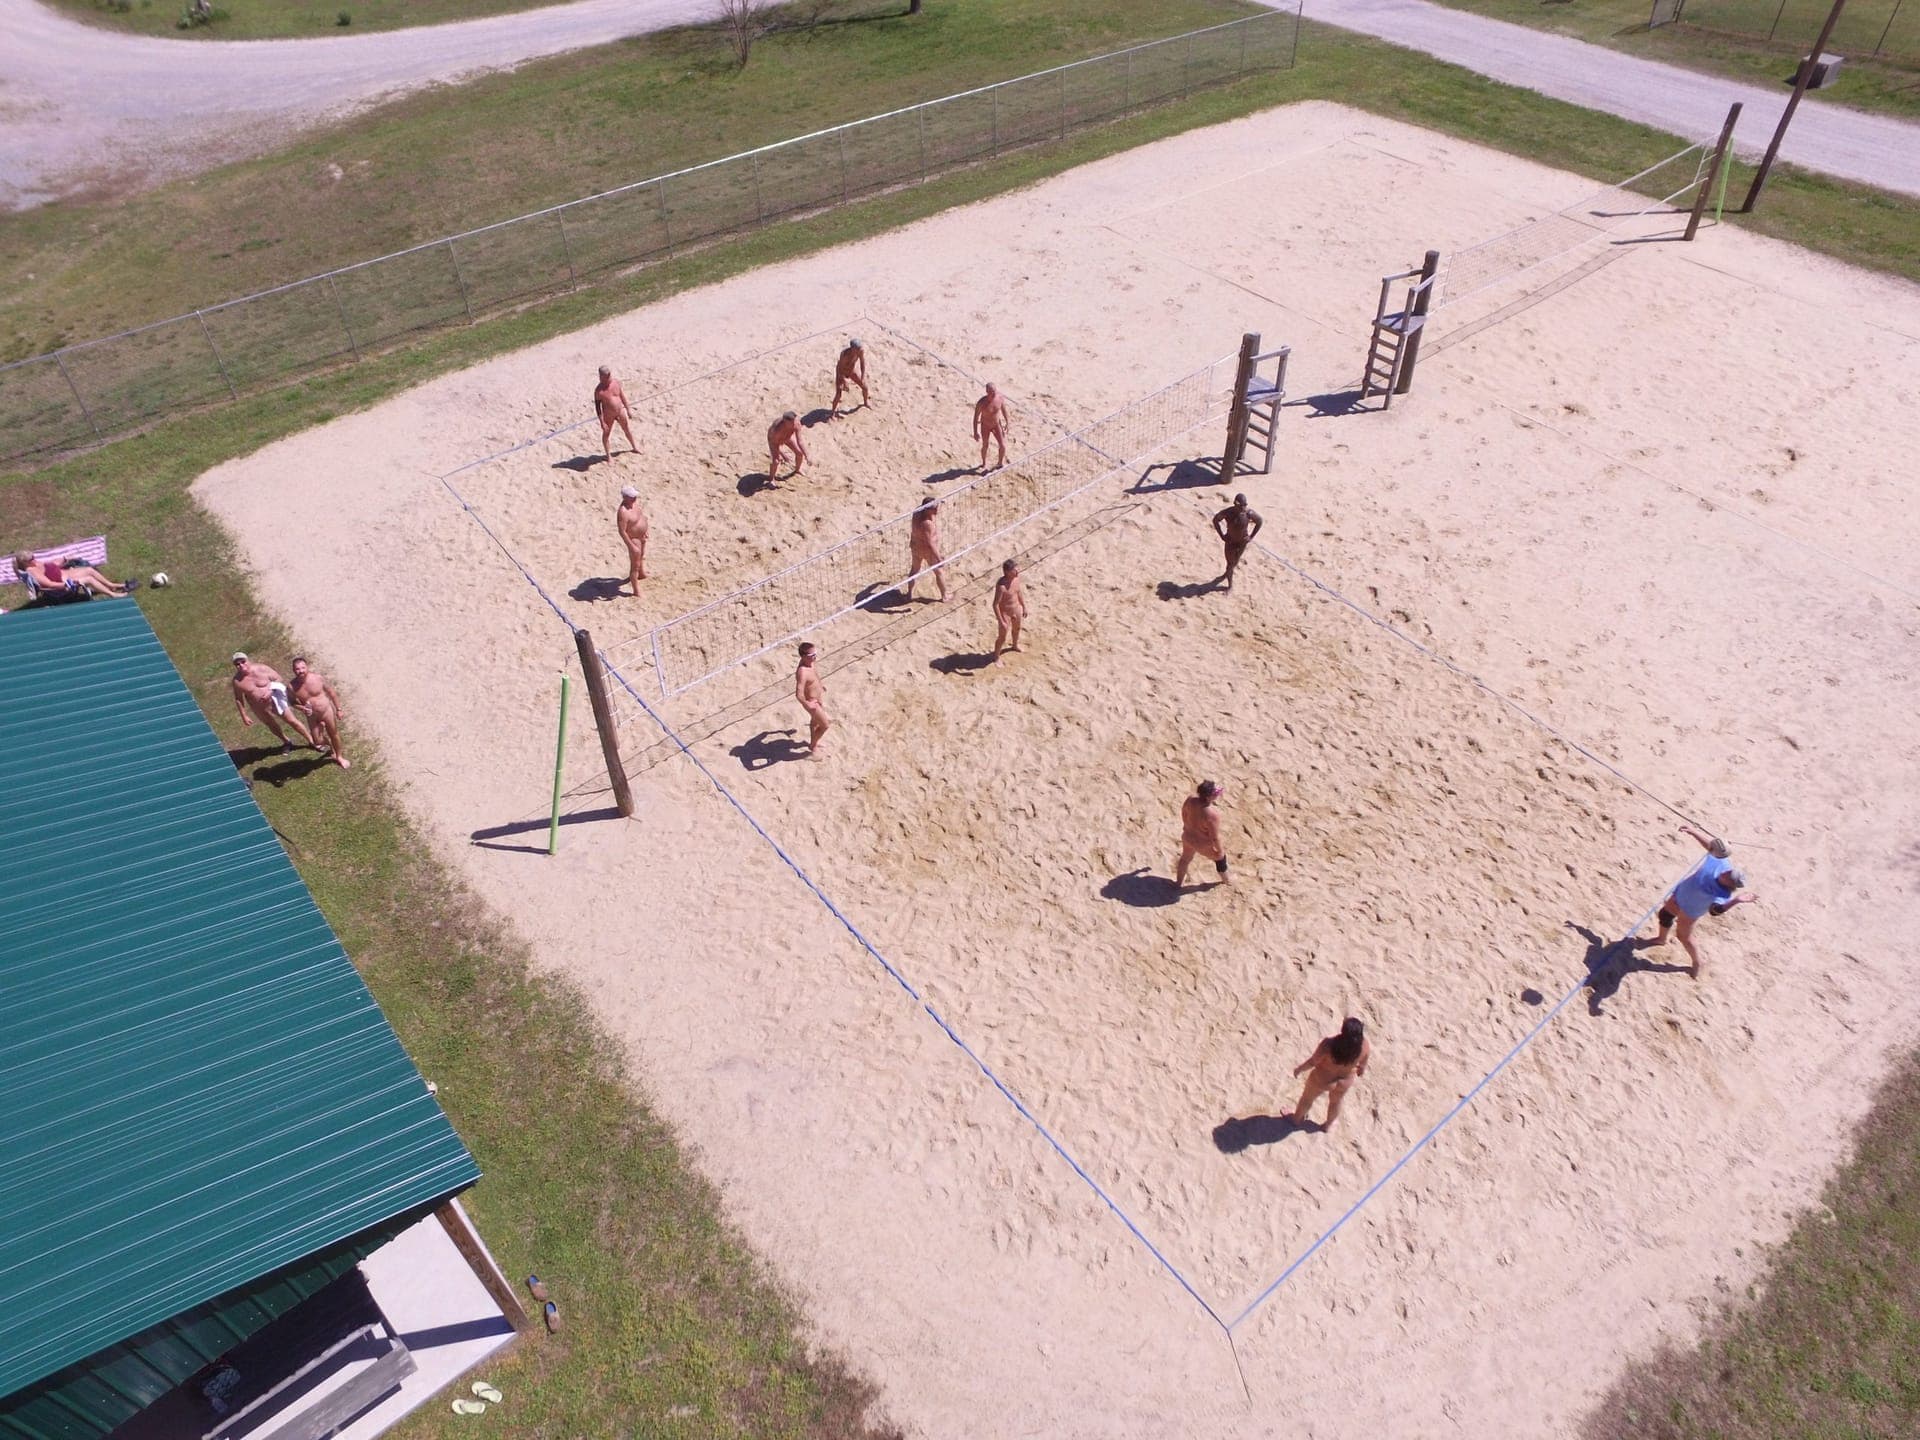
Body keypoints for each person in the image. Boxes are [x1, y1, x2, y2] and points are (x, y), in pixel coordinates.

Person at [1642, 823, 1758, 979]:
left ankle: (1697, 962)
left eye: (1729, 876)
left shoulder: (1722, 894)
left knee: (1683, 937)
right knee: (1664, 915)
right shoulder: (1722, 864)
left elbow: (1715, 911)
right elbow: (1712, 847)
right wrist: (1693, 832)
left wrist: (1736, 901)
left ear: (1730, 884)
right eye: (1730, 871)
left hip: (1691, 911)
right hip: (1680, 895)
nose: (1726, 872)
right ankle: (1661, 939)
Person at [1291, 1018, 1370, 1131]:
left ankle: (1296, 1119)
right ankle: (1328, 1125)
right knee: (1336, 1102)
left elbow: (1313, 1062)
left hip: (1322, 1079)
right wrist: (1360, 1071)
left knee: (1307, 1098)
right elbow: (1362, 1066)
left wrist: (1299, 1069)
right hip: (1345, 1081)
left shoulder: (1328, 1044)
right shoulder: (1364, 1046)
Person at [230, 652, 314, 751]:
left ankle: (311, 741)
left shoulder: (261, 669)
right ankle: (286, 741)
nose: (241, 665)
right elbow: (238, 698)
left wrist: (270, 691)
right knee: (271, 725)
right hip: (259, 707)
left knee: (292, 721)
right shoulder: (237, 681)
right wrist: (244, 716)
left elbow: (278, 678)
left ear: (248, 661)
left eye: (243, 662)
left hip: (275, 699)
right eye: (237, 664)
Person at [289, 656, 349, 769]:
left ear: (307, 667)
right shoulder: (292, 687)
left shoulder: (317, 678)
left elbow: (332, 693)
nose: (301, 671)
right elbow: (292, 702)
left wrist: (338, 709)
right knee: (317, 741)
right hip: (312, 715)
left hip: (326, 711)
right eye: (297, 669)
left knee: (334, 734)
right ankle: (330, 745)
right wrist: (301, 708)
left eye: (303, 668)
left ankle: (339, 757)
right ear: (293, 670)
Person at [1175, 780, 1228, 889]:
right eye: (1215, 794)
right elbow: (1215, 838)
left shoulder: (1190, 800)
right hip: (1202, 844)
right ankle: (1227, 880)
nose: (1217, 795)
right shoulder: (1212, 815)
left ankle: (1178, 884)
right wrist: (1220, 851)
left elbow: (1184, 812)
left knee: (1185, 859)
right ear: (1208, 797)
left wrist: (1186, 825)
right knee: (1221, 859)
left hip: (1187, 837)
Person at [13, 550, 130, 599]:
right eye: (31, 558)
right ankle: (112, 594)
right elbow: (50, 584)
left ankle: (112, 585)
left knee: (89, 570)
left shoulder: (34, 563)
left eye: (33, 556)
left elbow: (51, 564)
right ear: (25, 562)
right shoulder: (33, 573)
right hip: (63, 585)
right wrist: (66, 584)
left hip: (63, 573)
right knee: (88, 578)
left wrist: (65, 558)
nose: (35, 559)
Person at [1211, 494, 1263, 591]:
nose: (1243, 508)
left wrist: (1251, 537)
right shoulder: (1228, 512)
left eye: (1245, 505)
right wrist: (1222, 535)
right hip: (1230, 542)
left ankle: (1227, 574)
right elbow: (1215, 520)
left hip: (1242, 542)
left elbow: (1259, 521)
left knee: (1234, 563)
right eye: (1241, 506)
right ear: (1235, 504)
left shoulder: (1248, 513)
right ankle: (1230, 585)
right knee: (1230, 564)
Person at [905, 497, 948, 603]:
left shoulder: (917, 512)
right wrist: (939, 558)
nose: (937, 510)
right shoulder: (927, 524)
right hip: (926, 550)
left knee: (914, 570)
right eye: (935, 508)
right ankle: (945, 596)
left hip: (915, 546)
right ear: (928, 509)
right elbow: (930, 543)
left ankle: (909, 594)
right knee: (939, 572)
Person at [593, 366, 638, 463]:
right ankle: (608, 456)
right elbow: (598, 408)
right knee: (606, 434)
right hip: (608, 415)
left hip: (620, 411)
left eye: (608, 376)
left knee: (627, 429)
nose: (609, 378)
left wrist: (628, 409)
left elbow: (622, 396)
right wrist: (602, 422)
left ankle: (635, 447)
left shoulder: (616, 383)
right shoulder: (599, 390)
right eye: (604, 377)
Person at [794, 642, 830, 760]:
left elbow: (815, 674)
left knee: (815, 722)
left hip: (817, 698)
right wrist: (807, 704)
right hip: (812, 702)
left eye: (815, 654)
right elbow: (798, 694)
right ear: (803, 657)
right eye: (812, 655)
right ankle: (813, 747)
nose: (815, 657)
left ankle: (813, 743)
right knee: (825, 725)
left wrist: (820, 684)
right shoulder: (802, 672)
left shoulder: (811, 663)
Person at [616, 486, 648, 596]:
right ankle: (636, 590)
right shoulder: (623, 512)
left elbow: (641, 517)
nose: (634, 498)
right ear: (625, 497)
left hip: (641, 536)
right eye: (632, 497)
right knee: (635, 565)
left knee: (642, 555)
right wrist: (631, 546)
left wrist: (645, 529)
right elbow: (622, 531)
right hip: (633, 539)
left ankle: (642, 574)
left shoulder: (634, 504)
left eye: (634, 496)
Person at [991, 558, 1026, 658]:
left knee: (1017, 629)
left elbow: (1019, 593)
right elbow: (995, 604)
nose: (1017, 571)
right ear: (1007, 572)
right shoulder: (1001, 586)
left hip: (1016, 609)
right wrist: (1001, 620)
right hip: (1005, 613)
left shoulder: (1016, 579)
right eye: (1014, 570)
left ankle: (1015, 646)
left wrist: (1024, 606)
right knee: (1002, 637)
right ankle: (996, 657)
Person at [972, 383, 1010, 472]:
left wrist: (1008, 422)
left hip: (996, 425)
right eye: (991, 392)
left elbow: (1004, 410)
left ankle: (1000, 463)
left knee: (1002, 445)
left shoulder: (1000, 398)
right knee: (985, 445)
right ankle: (984, 463)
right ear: (987, 392)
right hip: (985, 426)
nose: (993, 394)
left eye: (994, 392)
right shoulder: (981, 403)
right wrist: (975, 432)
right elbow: (975, 418)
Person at [831, 339, 869, 417]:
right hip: (841, 372)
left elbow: (862, 362)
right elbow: (840, 369)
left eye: (859, 348)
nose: (859, 350)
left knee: (865, 387)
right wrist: (844, 381)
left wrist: (862, 376)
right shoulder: (845, 355)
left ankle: (866, 403)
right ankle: (832, 413)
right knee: (838, 394)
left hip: (851, 370)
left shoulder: (860, 351)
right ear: (852, 348)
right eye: (857, 348)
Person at [767, 410, 808, 482]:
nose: (794, 424)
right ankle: (771, 479)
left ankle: (797, 469)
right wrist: (783, 454)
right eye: (791, 422)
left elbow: (800, 441)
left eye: (794, 421)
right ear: (785, 421)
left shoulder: (797, 424)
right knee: (776, 461)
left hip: (787, 437)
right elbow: (774, 443)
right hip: (773, 441)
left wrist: (807, 455)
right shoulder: (777, 429)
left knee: (799, 453)